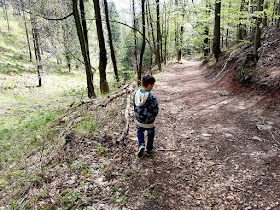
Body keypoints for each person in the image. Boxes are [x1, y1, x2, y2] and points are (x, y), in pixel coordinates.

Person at [133, 75, 159, 158]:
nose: (152, 87)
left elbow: (134, 106)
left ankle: (141, 145)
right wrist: (153, 116)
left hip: (139, 120)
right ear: (149, 84)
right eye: (152, 85)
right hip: (149, 121)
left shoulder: (136, 94)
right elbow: (156, 109)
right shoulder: (151, 97)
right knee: (150, 133)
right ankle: (149, 149)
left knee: (140, 131)